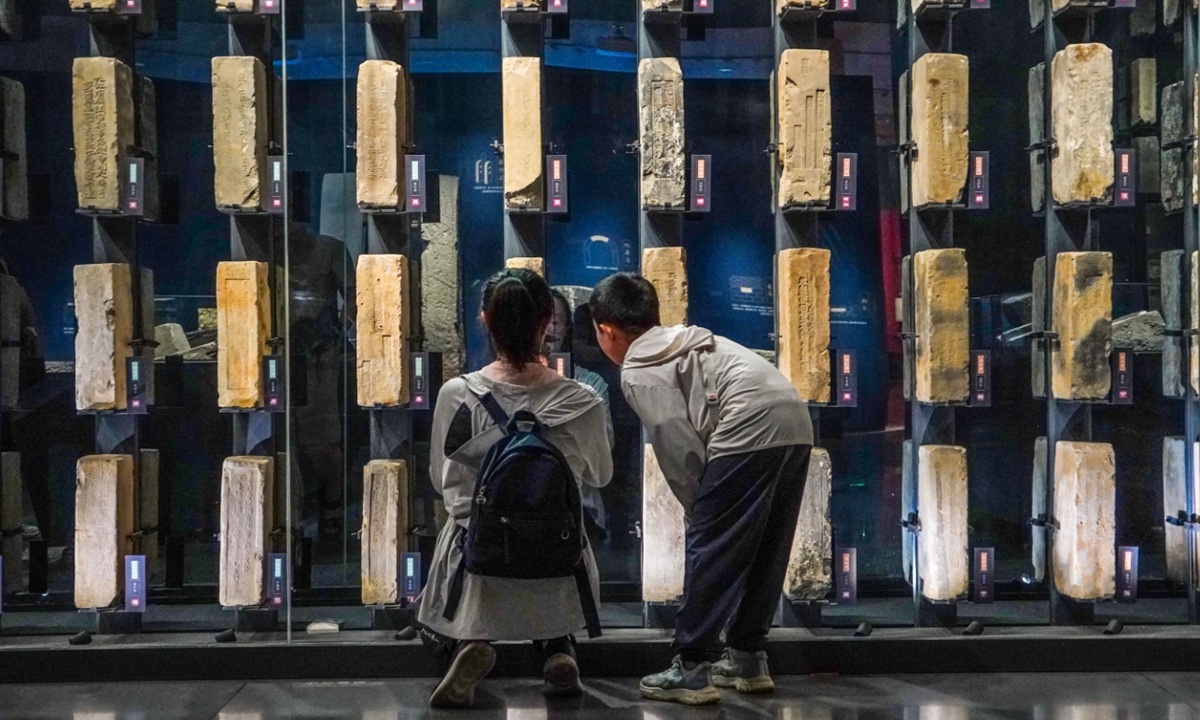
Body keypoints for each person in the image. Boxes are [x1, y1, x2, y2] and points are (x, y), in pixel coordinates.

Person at [589, 272, 813, 706]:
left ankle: (692, 668)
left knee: (712, 548)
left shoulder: (638, 366)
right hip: (794, 421)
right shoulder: (681, 340)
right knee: (769, 547)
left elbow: (678, 445)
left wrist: (702, 512)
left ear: (607, 330)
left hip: (747, 427)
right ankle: (747, 658)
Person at [418, 268, 614, 708]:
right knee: (556, 568)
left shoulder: (459, 394)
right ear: (548, 322)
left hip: (479, 551)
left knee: (458, 542)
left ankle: (470, 642)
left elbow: (439, 480)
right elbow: (600, 476)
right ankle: (559, 650)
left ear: (485, 320)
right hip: (556, 551)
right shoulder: (583, 398)